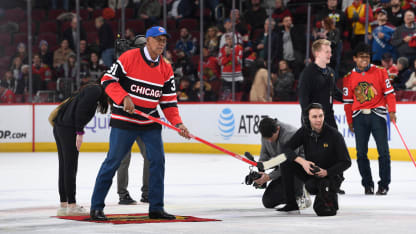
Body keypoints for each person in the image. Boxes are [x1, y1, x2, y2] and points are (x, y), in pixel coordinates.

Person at [90, 26, 190, 221]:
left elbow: (168, 102)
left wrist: (178, 124)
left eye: (164, 40)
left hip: (149, 120)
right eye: (158, 40)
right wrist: (124, 97)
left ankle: (156, 207)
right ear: (148, 41)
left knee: (158, 161)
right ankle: (96, 207)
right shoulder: (129, 57)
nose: (162, 44)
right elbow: (107, 80)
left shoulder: (166, 67)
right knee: (113, 162)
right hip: (124, 121)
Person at [277, 103, 351, 214]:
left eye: (321, 116)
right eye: (314, 117)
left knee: (322, 211)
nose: (318, 120)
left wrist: (327, 172)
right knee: (285, 161)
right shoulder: (304, 131)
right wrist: (303, 162)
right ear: (308, 118)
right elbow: (286, 149)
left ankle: (331, 194)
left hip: (330, 176)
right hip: (311, 172)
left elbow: (346, 162)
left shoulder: (334, 135)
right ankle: (291, 203)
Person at [343, 43, 397, 195]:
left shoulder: (380, 72)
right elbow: (348, 103)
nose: (365, 60)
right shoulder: (348, 78)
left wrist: (392, 111)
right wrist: (349, 121)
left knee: (384, 152)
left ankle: (384, 184)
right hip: (359, 117)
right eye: (361, 57)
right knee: (361, 153)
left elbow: (389, 93)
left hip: (377, 115)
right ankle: (367, 184)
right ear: (355, 59)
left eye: (367, 57)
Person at [53, 82, 109, 216]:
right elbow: (81, 109)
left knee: (65, 166)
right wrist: (79, 132)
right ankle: (71, 205)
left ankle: (64, 205)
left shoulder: (92, 90)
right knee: (70, 167)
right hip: (68, 129)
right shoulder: (95, 90)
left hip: (61, 127)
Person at [256, 117, 311, 209]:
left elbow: (288, 163)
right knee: (268, 201)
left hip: (297, 169)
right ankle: (294, 194)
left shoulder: (290, 134)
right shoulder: (266, 132)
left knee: (290, 169)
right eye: (266, 138)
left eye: (271, 137)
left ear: (277, 129)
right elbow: (264, 153)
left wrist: (269, 176)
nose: (269, 141)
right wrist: (261, 167)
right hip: (282, 167)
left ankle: (301, 191)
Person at [298, 39, 343, 129]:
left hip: (329, 117)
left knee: (336, 141)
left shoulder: (330, 72)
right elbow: (303, 98)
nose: (330, 55)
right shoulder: (308, 73)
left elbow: (334, 92)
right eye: (327, 52)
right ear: (317, 53)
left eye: (330, 52)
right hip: (314, 119)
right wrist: (307, 120)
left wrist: (351, 99)